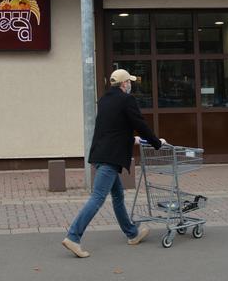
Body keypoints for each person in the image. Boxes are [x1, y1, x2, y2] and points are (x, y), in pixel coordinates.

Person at [62, 68, 165, 258]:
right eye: (130, 82)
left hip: (101, 153)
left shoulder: (105, 100)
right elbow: (139, 124)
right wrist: (156, 143)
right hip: (111, 158)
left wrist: (131, 140)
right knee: (98, 197)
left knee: (118, 195)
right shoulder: (126, 100)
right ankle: (73, 236)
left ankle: (132, 233)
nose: (131, 85)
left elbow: (112, 129)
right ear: (124, 84)